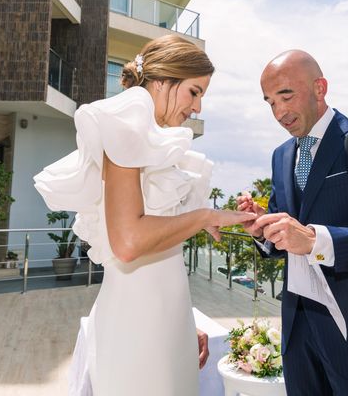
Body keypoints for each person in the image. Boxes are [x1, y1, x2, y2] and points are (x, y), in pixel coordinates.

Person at [34, 35, 255, 396]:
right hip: (135, 328)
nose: (197, 107)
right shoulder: (124, 130)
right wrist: (203, 217)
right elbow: (129, 242)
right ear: (162, 81)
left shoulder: (153, 144)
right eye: (194, 92)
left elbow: (158, 247)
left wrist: (184, 321)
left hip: (168, 321)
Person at [238, 50, 348, 396]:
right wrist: (263, 230)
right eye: (269, 102)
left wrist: (315, 240)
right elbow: (285, 237)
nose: (279, 112)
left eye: (286, 95)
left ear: (320, 87)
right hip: (298, 332)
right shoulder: (281, 155)